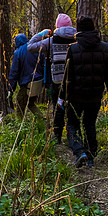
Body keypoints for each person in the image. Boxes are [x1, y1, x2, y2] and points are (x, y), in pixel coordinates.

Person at [58, 16, 108, 168]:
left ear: (79, 30)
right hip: (95, 95)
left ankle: (79, 151)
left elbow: (67, 76)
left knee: (72, 124)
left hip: (76, 96)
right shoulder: (103, 47)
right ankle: (90, 156)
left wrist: (61, 97)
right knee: (90, 124)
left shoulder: (73, 48)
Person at [28, 13, 76, 142]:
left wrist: (41, 34)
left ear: (57, 26)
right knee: (72, 107)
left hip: (57, 79)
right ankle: (73, 136)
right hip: (74, 80)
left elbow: (30, 47)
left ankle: (57, 134)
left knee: (57, 106)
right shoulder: (77, 39)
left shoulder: (51, 41)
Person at [7, 32, 46, 120]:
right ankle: (42, 120)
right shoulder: (36, 48)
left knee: (20, 104)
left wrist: (11, 89)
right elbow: (44, 65)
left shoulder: (18, 52)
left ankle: (20, 125)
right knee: (30, 103)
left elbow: (14, 72)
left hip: (27, 84)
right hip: (38, 82)